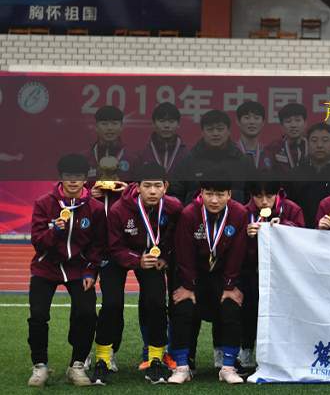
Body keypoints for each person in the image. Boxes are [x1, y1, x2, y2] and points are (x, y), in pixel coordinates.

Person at [92, 162, 183, 385]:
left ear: (165, 186)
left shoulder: (174, 207)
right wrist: (136, 260)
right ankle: (103, 359)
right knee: (112, 303)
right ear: (137, 187)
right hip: (118, 256)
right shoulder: (119, 210)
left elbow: (175, 237)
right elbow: (114, 246)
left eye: (157, 186)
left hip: (151, 257)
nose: (152, 191)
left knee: (156, 302)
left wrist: (165, 257)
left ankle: (155, 358)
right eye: (147, 186)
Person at [27, 154, 104, 387]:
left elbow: (97, 245)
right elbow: (38, 241)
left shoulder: (95, 208)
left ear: (85, 179)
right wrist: (55, 232)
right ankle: (40, 365)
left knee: (87, 313)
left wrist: (91, 271)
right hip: (46, 267)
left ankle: (77, 365)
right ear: (61, 177)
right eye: (68, 176)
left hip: (78, 269)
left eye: (78, 176)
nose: (73, 181)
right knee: (38, 315)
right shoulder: (44, 203)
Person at [168, 172, 248, 384]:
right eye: (209, 193)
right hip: (193, 273)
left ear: (229, 194)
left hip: (224, 274)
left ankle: (228, 367)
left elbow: (238, 252)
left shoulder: (239, 213)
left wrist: (230, 285)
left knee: (232, 306)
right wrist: (188, 286)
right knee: (182, 306)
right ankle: (182, 367)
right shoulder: (189, 214)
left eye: (220, 194)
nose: (214, 200)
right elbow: (184, 253)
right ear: (201, 193)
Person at [240, 171, 305, 369]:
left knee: (284, 313)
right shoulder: (243, 212)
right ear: (251, 195)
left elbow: (303, 239)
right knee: (249, 311)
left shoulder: (292, 209)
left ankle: (284, 353)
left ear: (278, 193)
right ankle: (246, 350)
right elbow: (234, 247)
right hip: (252, 273)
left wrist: (285, 226)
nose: (264, 202)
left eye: (269, 195)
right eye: (258, 196)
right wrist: (246, 236)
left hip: (284, 274)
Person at [169, 109, 255, 204]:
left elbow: (253, 198)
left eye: (220, 129)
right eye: (210, 129)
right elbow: (175, 197)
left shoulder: (243, 162)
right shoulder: (188, 162)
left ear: (228, 131)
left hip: (235, 213)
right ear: (202, 132)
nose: (215, 133)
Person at [289, 122, 330, 227]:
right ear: (307, 144)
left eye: (325, 140)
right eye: (314, 140)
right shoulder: (295, 174)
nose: (319, 145)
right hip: (302, 231)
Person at [134, 102, 188, 176]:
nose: (166, 126)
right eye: (162, 121)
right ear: (153, 123)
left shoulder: (186, 154)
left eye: (171, 122)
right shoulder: (142, 154)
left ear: (178, 124)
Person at [88, 105, 132, 180]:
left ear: (121, 127)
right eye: (104, 124)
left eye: (114, 123)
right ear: (96, 127)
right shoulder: (86, 158)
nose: (109, 128)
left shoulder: (133, 159)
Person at [266, 102, 309, 174]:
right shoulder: (273, 148)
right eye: (288, 121)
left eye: (298, 120)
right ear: (281, 126)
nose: (293, 125)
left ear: (305, 124)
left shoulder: (313, 147)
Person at [235, 100, 272, 170]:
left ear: (263, 122)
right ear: (238, 122)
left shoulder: (269, 152)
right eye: (247, 118)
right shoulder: (230, 152)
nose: (252, 122)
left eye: (256, 118)